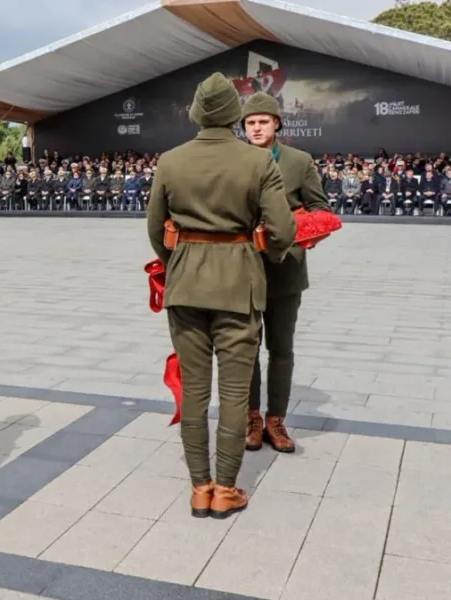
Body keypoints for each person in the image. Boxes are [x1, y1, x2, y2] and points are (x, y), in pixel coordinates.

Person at [146, 73, 296, 519]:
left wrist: (180, 257)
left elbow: (156, 229)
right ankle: (227, 488)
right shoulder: (257, 163)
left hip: (186, 283)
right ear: (236, 114)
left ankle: (199, 487)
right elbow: (283, 230)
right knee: (234, 393)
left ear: (196, 113)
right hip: (239, 284)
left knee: (194, 390)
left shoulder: (170, 161)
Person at [241, 92, 329, 454]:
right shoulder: (235, 159)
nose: (257, 128)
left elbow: (320, 210)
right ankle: (252, 417)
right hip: (242, 269)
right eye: (250, 123)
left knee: (281, 349)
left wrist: (286, 232)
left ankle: (276, 419)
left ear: (277, 123)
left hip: (285, 269)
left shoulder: (298, 161)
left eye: (263, 121)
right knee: (245, 347)